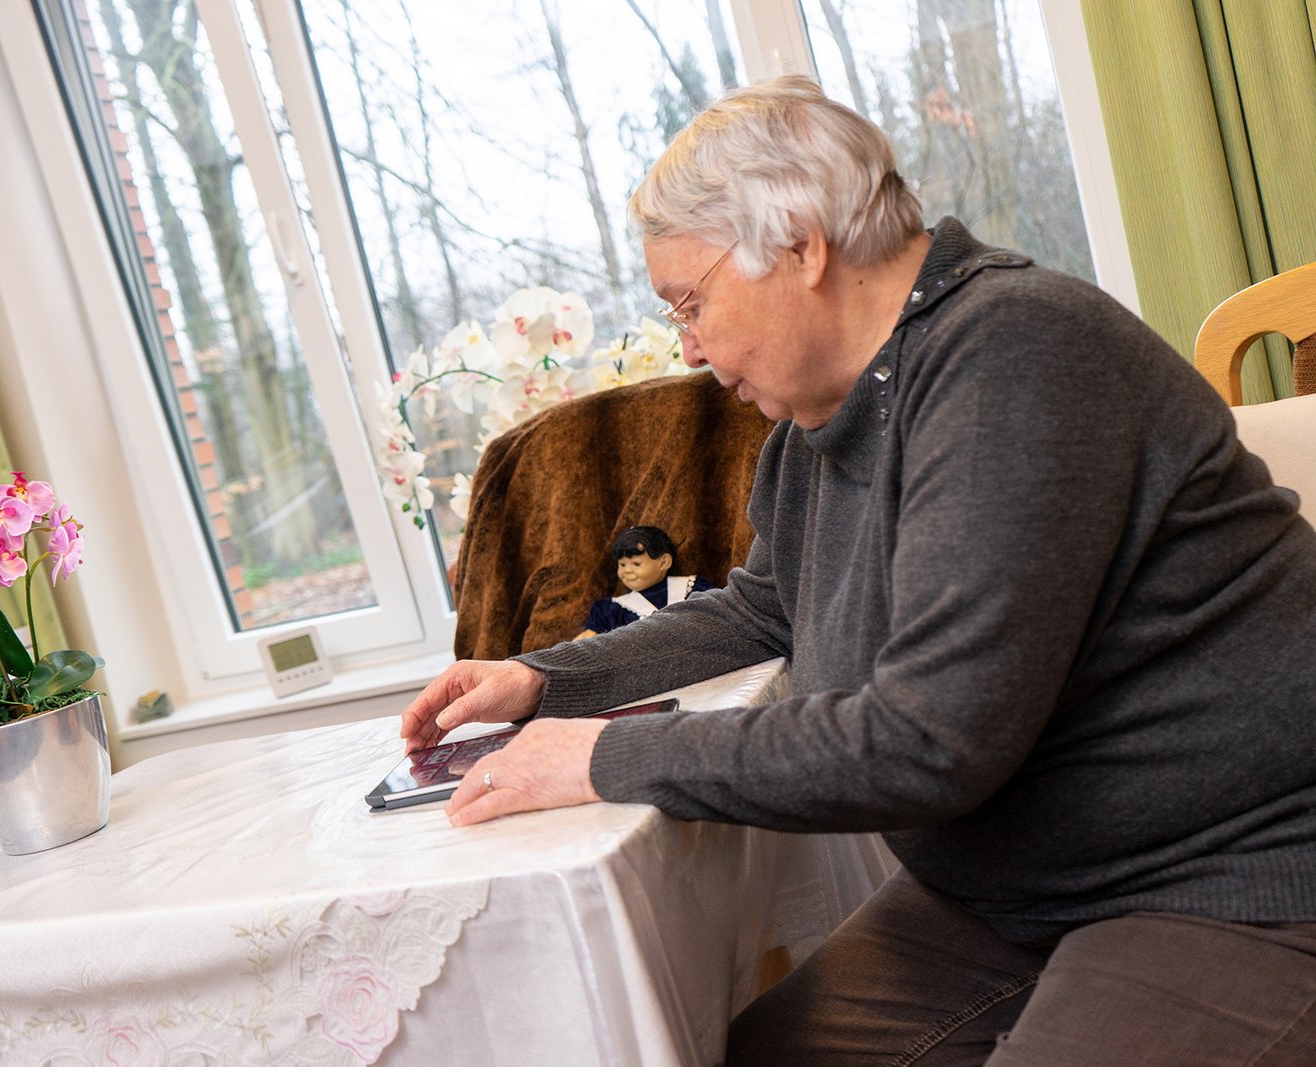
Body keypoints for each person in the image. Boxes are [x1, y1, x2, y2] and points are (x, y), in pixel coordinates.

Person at [399, 74, 1316, 1064]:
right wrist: (546, 678)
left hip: (1230, 874)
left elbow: (928, 741)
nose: (690, 346)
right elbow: (763, 611)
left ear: (799, 241)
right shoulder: (815, 428)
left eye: (691, 301)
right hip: (1009, 891)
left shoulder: (1018, 354)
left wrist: (596, 757)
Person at [575, 524, 713, 639]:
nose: (627, 570)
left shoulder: (692, 588)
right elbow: (589, 641)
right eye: (622, 565)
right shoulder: (611, 610)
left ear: (664, 562)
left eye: (636, 564)